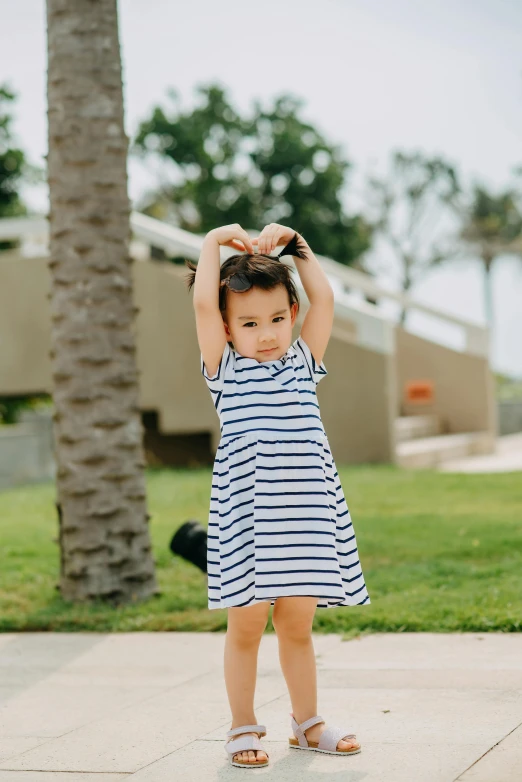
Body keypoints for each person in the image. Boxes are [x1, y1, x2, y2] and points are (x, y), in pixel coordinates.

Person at [185, 223, 371, 768]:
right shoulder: (226, 371)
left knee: (297, 625)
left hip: (306, 520)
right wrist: (212, 243)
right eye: (248, 323)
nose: (265, 334)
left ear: (291, 313)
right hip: (249, 522)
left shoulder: (302, 363)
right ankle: (243, 726)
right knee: (245, 625)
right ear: (227, 328)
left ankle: (307, 723)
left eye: (276, 319)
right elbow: (200, 307)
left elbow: (325, 296)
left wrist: (297, 246)